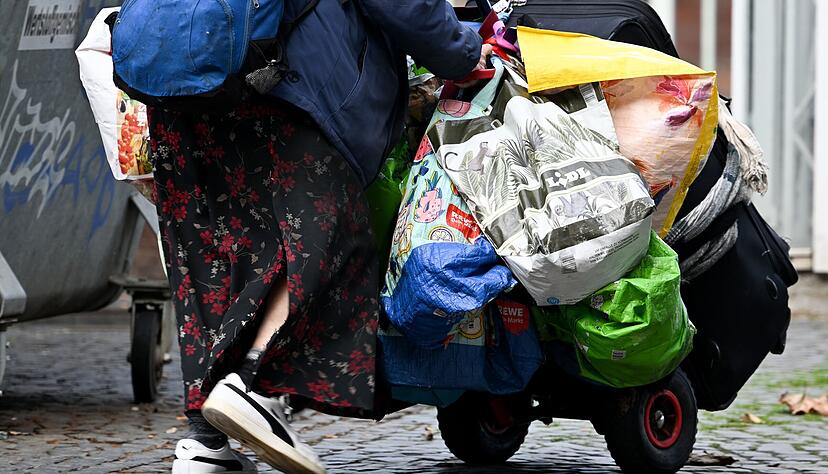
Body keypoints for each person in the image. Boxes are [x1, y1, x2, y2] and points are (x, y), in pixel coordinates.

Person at [148, 0, 490, 473]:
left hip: (178, 77)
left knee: (213, 251)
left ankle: (205, 443)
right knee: (325, 239)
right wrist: (462, 52)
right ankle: (253, 386)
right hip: (281, 77)